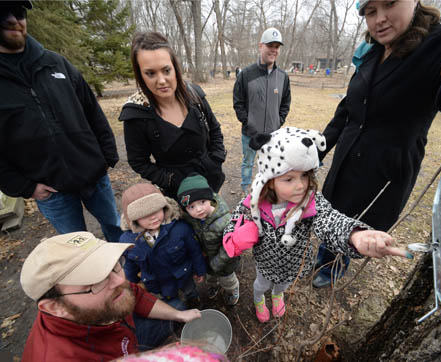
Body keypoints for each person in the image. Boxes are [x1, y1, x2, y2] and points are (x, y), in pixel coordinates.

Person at [314, 0, 441, 288]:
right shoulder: (371, 54)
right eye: (370, 12)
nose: (380, 19)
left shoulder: (438, 43)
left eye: (390, 4)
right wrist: (316, 149)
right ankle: (323, 258)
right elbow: (347, 110)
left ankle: (334, 269)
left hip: (381, 174)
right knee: (333, 214)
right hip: (346, 161)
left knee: (358, 225)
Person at [222, 127, 411, 323]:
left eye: (305, 175)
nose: (301, 185)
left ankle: (277, 297)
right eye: (289, 179)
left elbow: (329, 220)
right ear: (270, 181)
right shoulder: (254, 203)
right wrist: (234, 237)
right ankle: (259, 299)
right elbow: (236, 218)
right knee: (261, 284)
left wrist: (353, 235)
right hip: (265, 263)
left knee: (281, 287)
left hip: (291, 265)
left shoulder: (310, 202)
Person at [0, 1, 122, 241]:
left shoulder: (56, 63)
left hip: (95, 176)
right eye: (3, 12)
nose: (14, 19)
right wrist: (25, 187)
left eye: (19, 12)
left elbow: (93, 111)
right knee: (77, 246)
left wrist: (107, 157)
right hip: (51, 191)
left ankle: (129, 275)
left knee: (116, 230)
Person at [20, 231, 202, 361]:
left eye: (114, 265)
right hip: (119, 345)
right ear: (55, 307)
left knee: (178, 308)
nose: (118, 281)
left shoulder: (111, 286)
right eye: (95, 281)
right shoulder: (60, 356)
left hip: (124, 338)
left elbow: (136, 294)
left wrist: (180, 316)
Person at [119, 32, 226, 199]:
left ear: (175, 68)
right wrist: (170, 180)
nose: (161, 80)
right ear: (140, 75)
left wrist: (216, 161)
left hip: (212, 184)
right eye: (151, 73)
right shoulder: (136, 114)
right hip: (178, 195)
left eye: (166, 70)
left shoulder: (195, 96)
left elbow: (214, 128)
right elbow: (138, 162)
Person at [119, 183, 206, 309]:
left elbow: (194, 251)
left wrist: (200, 269)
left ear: (164, 207)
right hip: (158, 284)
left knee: (190, 290)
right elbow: (129, 264)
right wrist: (132, 282)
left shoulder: (180, 228)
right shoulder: (128, 241)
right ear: (133, 219)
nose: (153, 217)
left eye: (156, 210)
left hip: (183, 275)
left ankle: (194, 300)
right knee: (173, 304)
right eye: (144, 215)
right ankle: (177, 314)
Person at [233, 27, 291, 195]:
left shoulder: (283, 77)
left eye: (277, 46)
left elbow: (286, 102)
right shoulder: (246, 74)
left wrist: (279, 121)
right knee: (248, 163)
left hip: (272, 134)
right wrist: (248, 123)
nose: (273, 50)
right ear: (260, 46)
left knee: (271, 162)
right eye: (270, 45)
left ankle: (267, 191)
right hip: (250, 133)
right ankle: (246, 190)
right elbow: (238, 102)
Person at [177, 173, 240, 306]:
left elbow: (231, 245)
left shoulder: (224, 220)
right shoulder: (190, 218)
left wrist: (217, 262)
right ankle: (213, 286)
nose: (198, 209)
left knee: (227, 280)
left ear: (209, 199)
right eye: (191, 207)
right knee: (210, 278)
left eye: (202, 202)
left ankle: (232, 290)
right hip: (207, 259)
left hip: (225, 262)